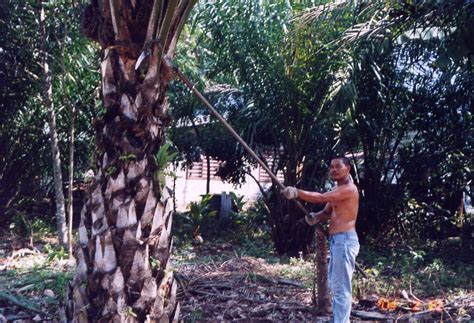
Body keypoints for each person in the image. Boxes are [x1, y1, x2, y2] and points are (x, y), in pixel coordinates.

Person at [281, 156, 359, 323]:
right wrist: (316, 217)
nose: (334, 170)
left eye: (338, 166)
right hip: (338, 242)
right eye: (331, 167)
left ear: (348, 169)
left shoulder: (349, 189)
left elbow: (321, 197)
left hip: (344, 241)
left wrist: (297, 192)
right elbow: (327, 211)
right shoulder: (337, 192)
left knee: (341, 289)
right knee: (336, 286)